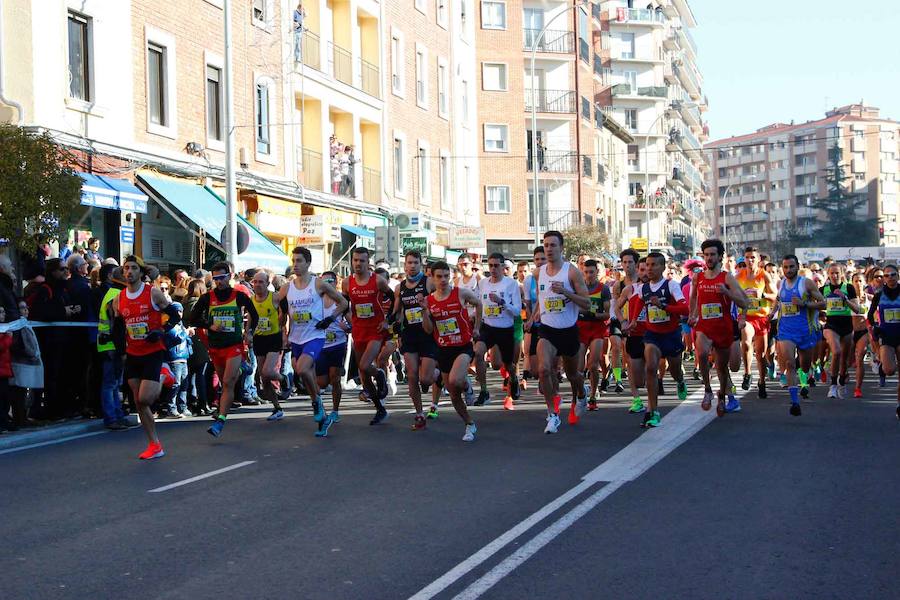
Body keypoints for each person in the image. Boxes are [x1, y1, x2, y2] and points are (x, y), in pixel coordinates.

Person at [112, 255, 181, 459]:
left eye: (133, 268)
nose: (129, 272)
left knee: (145, 398)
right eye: (126, 268)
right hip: (133, 353)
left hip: (153, 352)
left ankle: (163, 375)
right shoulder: (119, 298)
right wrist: (120, 352)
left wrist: (162, 331)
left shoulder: (153, 293)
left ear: (141, 273)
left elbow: (175, 315)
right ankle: (155, 445)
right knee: (139, 403)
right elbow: (118, 327)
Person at [277, 247, 347, 436]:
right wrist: (281, 327)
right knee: (306, 375)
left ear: (308, 263)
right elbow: (278, 309)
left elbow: (343, 303)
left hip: (315, 336)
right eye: (294, 261)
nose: (296, 264)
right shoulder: (287, 287)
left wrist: (331, 319)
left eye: (299, 261)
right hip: (296, 338)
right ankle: (321, 415)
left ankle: (316, 402)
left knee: (301, 368)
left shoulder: (318, 284)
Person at [188, 261, 259, 437]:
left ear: (230, 276)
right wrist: (209, 325)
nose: (219, 282)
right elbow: (193, 318)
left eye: (222, 277)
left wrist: (249, 333)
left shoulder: (239, 296)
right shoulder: (207, 298)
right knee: (224, 382)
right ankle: (241, 369)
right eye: (216, 278)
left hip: (233, 345)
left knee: (227, 382)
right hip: (215, 346)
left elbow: (255, 315)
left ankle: (220, 420)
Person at [531, 230, 591, 434]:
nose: (549, 249)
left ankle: (582, 394)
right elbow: (542, 296)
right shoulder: (538, 272)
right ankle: (552, 414)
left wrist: (566, 292)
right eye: (546, 245)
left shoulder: (571, 271)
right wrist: (536, 314)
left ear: (561, 248)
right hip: (547, 330)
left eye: (553, 245)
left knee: (573, 375)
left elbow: (587, 303)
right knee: (544, 370)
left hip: (569, 331)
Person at [419, 261, 481, 441]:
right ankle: (469, 424)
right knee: (453, 392)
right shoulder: (429, 300)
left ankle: (467, 385)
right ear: (432, 278)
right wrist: (424, 312)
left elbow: (478, 304)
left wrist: (476, 327)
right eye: (439, 276)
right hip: (443, 349)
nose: (443, 280)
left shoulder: (461, 293)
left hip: (462, 346)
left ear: (451, 276)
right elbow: (429, 330)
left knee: (455, 380)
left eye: (446, 276)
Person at [689, 240, 749, 416]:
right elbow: (693, 298)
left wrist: (727, 293)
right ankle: (707, 390)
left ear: (720, 256)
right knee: (701, 353)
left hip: (723, 327)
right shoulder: (697, 277)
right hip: (704, 326)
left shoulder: (727, 278)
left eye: (712, 254)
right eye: (706, 255)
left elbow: (744, 302)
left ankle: (722, 395)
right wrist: (692, 314)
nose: (709, 258)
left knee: (723, 368)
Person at [632, 252, 690, 428]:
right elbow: (638, 303)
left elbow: (685, 309)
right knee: (651, 367)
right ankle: (654, 412)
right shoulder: (643, 288)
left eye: (654, 265)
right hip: (653, 334)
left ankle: (680, 380)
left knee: (674, 370)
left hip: (671, 334)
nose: (649, 268)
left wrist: (664, 306)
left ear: (663, 267)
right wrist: (634, 320)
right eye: (647, 265)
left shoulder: (671, 285)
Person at [341, 246, 394, 425]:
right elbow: (344, 305)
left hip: (376, 330)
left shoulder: (378, 280)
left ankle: (380, 373)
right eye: (355, 260)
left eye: (362, 261)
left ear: (368, 263)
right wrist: (347, 321)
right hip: (358, 331)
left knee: (364, 365)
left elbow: (394, 299)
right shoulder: (347, 283)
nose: (358, 264)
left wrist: (388, 320)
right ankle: (380, 409)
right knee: (363, 376)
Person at [775, 254, 826, 416]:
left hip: (805, 331)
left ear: (797, 267)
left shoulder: (806, 283)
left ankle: (807, 373)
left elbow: (823, 303)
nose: (788, 270)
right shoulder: (781, 283)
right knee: (790, 364)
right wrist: (772, 312)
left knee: (804, 365)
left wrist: (805, 304)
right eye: (785, 267)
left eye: (791, 267)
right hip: (786, 330)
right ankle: (794, 402)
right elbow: (779, 301)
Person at [393, 251, 437, 429]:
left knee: (425, 380)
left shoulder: (428, 283)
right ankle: (419, 414)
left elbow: (440, 301)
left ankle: (437, 375)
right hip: (410, 334)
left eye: (415, 263)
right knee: (411, 376)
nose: (412, 266)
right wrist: (396, 329)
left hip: (428, 333)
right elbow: (397, 312)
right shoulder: (400, 287)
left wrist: (427, 308)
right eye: (409, 263)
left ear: (420, 264)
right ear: (405, 265)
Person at [474, 253, 522, 410]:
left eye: (496, 265)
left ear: (503, 267)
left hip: (505, 328)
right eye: (491, 265)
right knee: (478, 353)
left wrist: (502, 302)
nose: (493, 269)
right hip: (487, 327)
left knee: (507, 364)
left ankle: (513, 379)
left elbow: (516, 311)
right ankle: (484, 391)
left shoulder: (511, 284)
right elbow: (477, 304)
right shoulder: (482, 283)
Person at [250, 270, 289, 421]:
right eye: (256, 282)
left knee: (267, 371)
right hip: (259, 338)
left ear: (267, 284)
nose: (258, 285)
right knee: (264, 378)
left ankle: (283, 378)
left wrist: (284, 331)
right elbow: (251, 319)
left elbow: (285, 313)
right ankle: (277, 408)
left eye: (261, 282)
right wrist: (248, 333)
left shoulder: (275, 297)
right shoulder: (251, 300)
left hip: (273, 338)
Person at [314, 271, 350, 429]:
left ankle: (335, 410)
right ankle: (321, 406)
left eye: (331, 280)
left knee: (335, 378)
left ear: (336, 282)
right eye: (325, 281)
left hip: (338, 343)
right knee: (322, 382)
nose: (328, 283)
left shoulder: (342, 301)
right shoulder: (316, 300)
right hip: (320, 344)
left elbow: (352, 323)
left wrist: (347, 327)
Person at [96, 264, 130, 430]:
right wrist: (122, 350)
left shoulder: (114, 293)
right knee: (111, 383)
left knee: (115, 383)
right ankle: (112, 418)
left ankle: (117, 415)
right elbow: (118, 326)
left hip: (110, 344)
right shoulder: (117, 295)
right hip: (111, 345)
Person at [821, 264, 863, 400]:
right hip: (831, 325)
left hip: (846, 326)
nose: (834, 276)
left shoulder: (849, 288)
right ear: (828, 274)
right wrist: (822, 305)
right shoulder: (824, 289)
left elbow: (857, 309)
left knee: (844, 359)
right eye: (832, 273)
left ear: (842, 273)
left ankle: (841, 382)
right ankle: (832, 385)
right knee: (836, 351)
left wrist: (844, 299)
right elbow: (816, 306)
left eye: (837, 273)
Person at [866, 264, 900, 420]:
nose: (890, 278)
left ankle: (899, 405)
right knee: (889, 370)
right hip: (886, 336)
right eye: (886, 275)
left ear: (897, 276)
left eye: (893, 274)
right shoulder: (879, 295)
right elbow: (870, 315)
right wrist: (875, 328)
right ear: (884, 279)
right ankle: (881, 360)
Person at [577, 259, 611, 413]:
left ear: (597, 272)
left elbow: (606, 314)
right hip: (581, 328)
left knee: (593, 364)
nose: (589, 275)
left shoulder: (603, 289)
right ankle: (580, 393)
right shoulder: (578, 288)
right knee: (578, 366)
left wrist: (592, 313)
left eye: (592, 272)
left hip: (597, 328)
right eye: (586, 272)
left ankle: (592, 395)